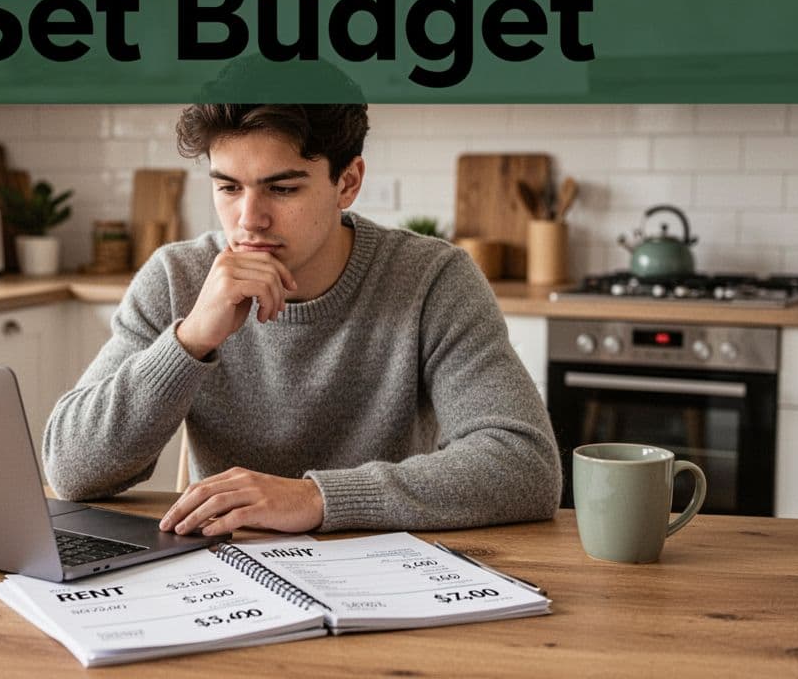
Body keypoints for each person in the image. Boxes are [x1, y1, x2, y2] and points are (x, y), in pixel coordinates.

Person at [44, 65, 561, 537]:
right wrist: (190, 340)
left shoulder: (432, 280)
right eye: (228, 187)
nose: (249, 219)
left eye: (282, 189)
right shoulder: (176, 277)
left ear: (348, 182)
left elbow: (525, 465)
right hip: (225, 578)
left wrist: (316, 498)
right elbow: (70, 470)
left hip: (389, 578)